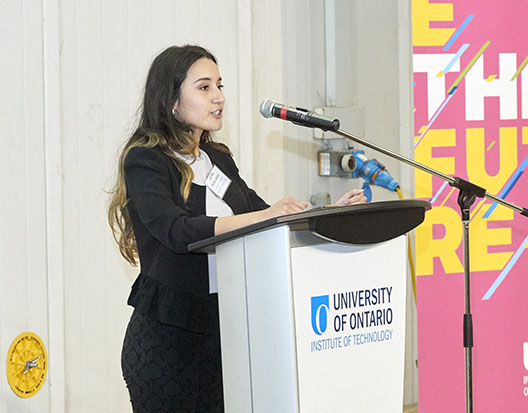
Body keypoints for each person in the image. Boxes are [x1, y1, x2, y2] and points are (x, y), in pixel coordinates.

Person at [108, 45, 365, 412]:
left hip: (224, 333)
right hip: (166, 340)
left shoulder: (219, 160)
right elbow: (177, 231)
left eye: (219, 85)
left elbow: (267, 217)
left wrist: (328, 214)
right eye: (204, 87)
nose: (219, 97)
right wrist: (264, 217)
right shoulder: (147, 160)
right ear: (171, 101)